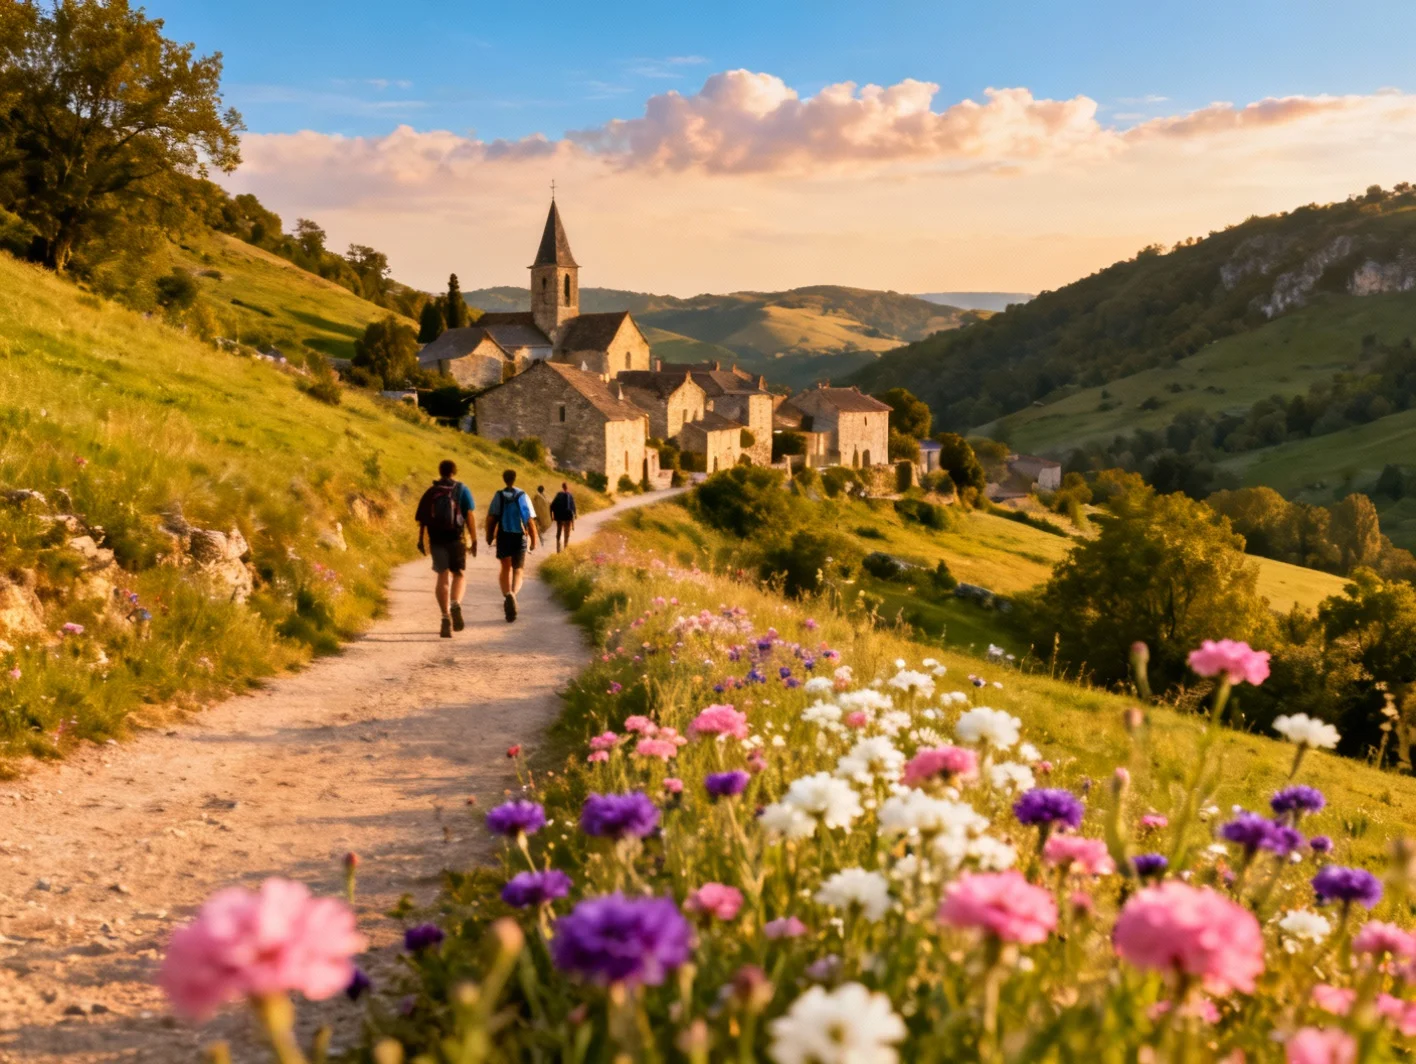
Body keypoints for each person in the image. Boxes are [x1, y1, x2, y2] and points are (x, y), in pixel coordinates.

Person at [415, 459, 475, 638]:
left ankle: (445, 617)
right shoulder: (462, 489)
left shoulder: (432, 491)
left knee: (442, 576)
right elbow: (469, 515)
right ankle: (455, 603)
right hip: (456, 538)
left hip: (436, 539)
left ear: (440, 471)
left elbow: (422, 519)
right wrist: (474, 539)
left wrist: (421, 540)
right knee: (459, 574)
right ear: (454, 472)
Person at [486, 468, 539, 622]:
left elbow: (492, 518)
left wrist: (489, 536)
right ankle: (513, 594)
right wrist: (533, 541)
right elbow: (529, 520)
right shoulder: (522, 495)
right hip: (519, 537)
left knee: (505, 568)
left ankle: (507, 595)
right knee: (518, 570)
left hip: (503, 535)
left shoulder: (499, 495)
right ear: (514, 478)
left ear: (504, 479)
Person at [549, 481, 577, 552]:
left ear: (562, 487)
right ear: (567, 487)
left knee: (559, 531)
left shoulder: (558, 495)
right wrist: (575, 515)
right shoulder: (570, 495)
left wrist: (551, 516)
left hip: (559, 517)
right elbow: (573, 507)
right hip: (568, 517)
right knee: (567, 533)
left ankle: (558, 549)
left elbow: (552, 505)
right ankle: (565, 547)